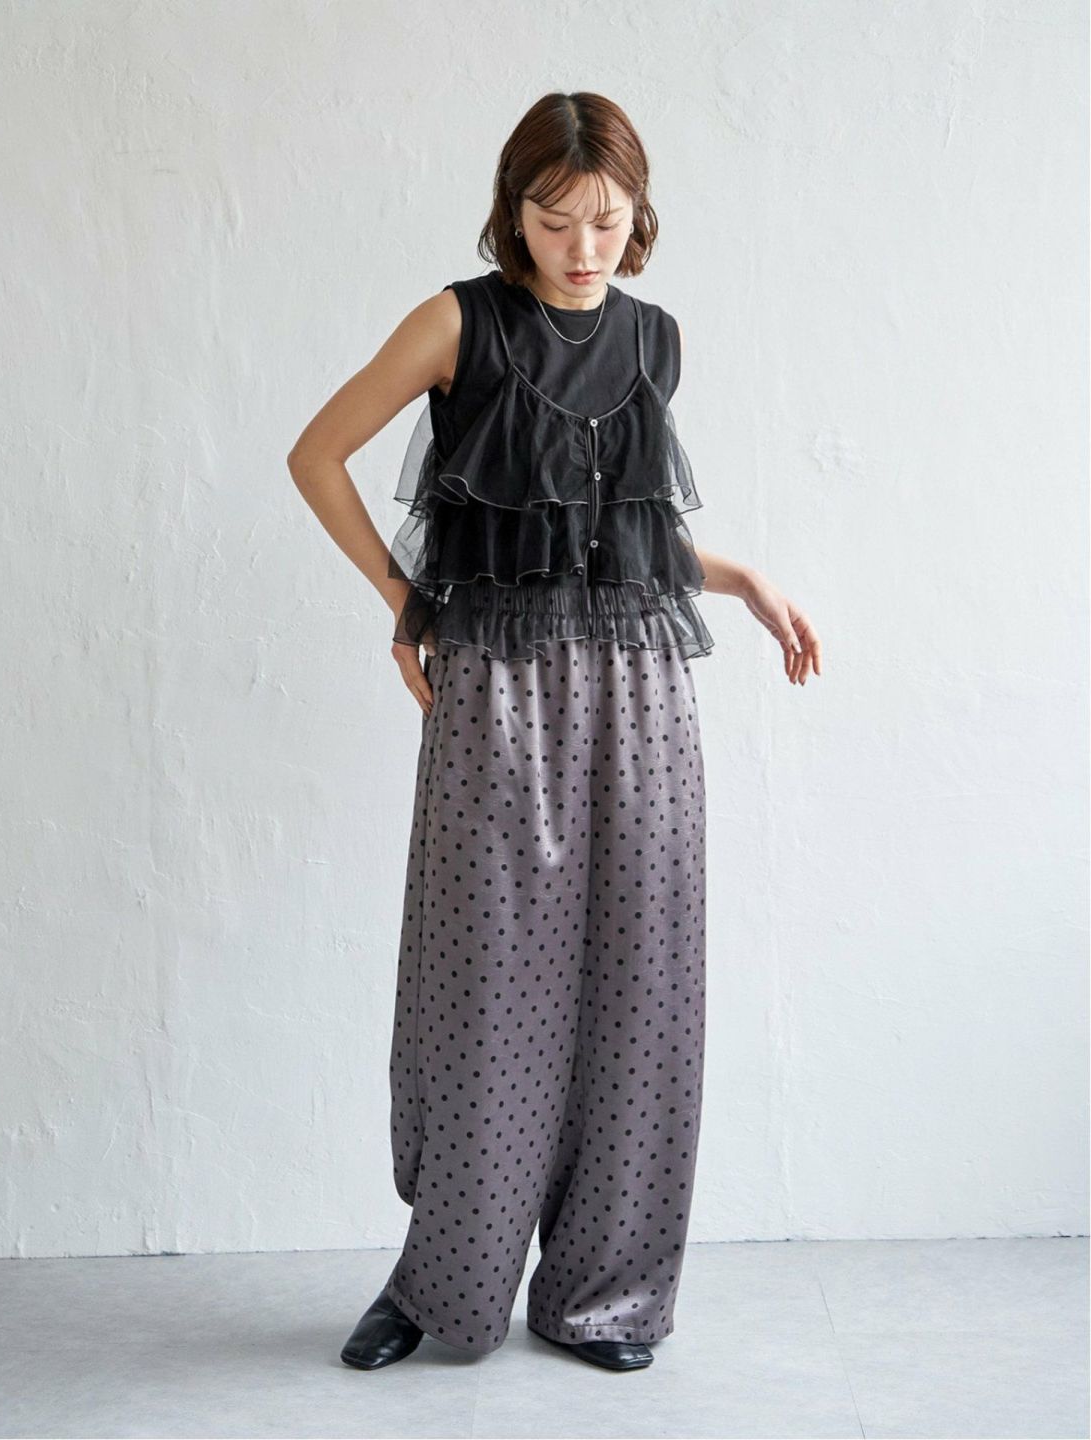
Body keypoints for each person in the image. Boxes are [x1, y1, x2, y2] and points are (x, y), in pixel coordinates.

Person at [288, 91, 822, 1373]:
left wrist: (742, 578)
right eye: (555, 218)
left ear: (639, 216)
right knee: (487, 984)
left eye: (608, 219)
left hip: (643, 687)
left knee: (643, 986)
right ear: (513, 212)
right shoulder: (457, 322)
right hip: (499, 688)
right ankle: (443, 1286)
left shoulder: (653, 339)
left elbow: (619, 537)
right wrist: (407, 601)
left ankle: (605, 1295)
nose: (584, 246)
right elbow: (316, 456)